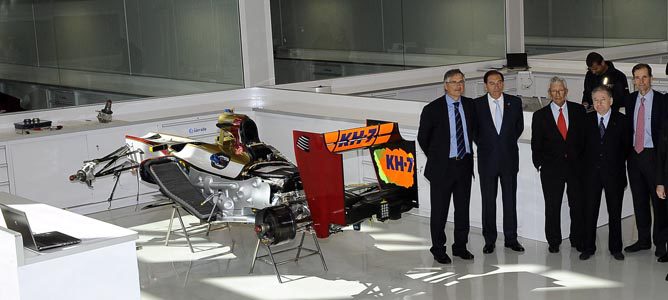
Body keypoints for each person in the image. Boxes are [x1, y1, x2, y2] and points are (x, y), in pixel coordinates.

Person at [418, 69, 476, 264]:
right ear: (445, 85)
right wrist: (438, 158)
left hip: (464, 166)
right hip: (442, 168)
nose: (459, 86)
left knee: (462, 210)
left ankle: (460, 246)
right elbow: (423, 138)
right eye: (454, 82)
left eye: (462, 82)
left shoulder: (469, 105)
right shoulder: (432, 109)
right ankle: (438, 249)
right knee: (440, 211)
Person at [531, 76, 587, 253]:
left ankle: (577, 238)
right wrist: (539, 164)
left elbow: (585, 140)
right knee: (552, 206)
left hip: (576, 168)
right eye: (553, 91)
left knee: (577, 205)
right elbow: (536, 144)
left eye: (560, 90)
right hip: (551, 169)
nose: (557, 94)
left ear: (566, 91)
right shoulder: (539, 116)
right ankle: (553, 241)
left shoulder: (579, 111)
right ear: (549, 93)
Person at [473, 70, 524, 254]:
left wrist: (503, 143)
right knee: (488, 202)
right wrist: (490, 145)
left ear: (503, 83)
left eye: (499, 82)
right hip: (487, 161)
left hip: (509, 159)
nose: (496, 86)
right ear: (485, 85)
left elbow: (518, 128)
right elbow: (475, 132)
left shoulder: (515, 102)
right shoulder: (476, 105)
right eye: (492, 83)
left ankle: (511, 238)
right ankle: (490, 240)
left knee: (510, 200)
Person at [579, 86, 632, 261]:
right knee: (590, 212)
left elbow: (626, 148)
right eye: (595, 100)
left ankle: (616, 248)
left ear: (611, 101)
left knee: (615, 213)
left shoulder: (622, 120)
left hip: (614, 174)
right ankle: (588, 247)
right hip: (591, 176)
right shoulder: (585, 121)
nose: (599, 103)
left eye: (603, 99)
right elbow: (581, 148)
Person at [623, 64, 667, 258]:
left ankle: (660, 242)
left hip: (653, 155)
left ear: (651, 78)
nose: (641, 82)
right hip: (634, 156)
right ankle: (643, 240)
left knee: (659, 202)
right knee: (639, 200)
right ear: (633, 80)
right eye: (637, 78)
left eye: (644, 77)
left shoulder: (662, 101)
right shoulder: (630, 99)